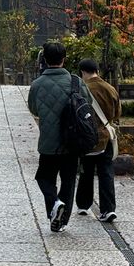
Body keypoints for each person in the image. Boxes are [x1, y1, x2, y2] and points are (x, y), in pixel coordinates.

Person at [27, 40, 93, 233]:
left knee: (44, 178)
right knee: (68, 181)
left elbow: (33, 109)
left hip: (48, 142)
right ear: (64, 58)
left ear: (45, 59)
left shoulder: (37, 84)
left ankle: (54, 203)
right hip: (72, 141)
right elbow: (87, 103)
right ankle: (61, 222)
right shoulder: (76, 82)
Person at [76, 57, 119, 222]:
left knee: (86, 170)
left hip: (87, 137)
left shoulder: (82, 89)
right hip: (106, 137)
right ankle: (108, 209)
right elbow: (117, 113)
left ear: (82, 72)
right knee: (106, 172)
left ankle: (83, 204)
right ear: (97, 71)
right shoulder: (110, 88)